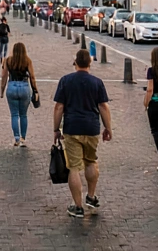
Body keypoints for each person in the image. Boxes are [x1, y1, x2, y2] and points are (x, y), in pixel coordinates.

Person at [53, 48, 112, 219]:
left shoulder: (66, 81)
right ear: (90, 63)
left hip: (72, 128)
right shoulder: (97, 82)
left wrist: (56, 129)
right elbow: (103, 106)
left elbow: (59, 107)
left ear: (75, 63)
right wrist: (108, 128)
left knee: (74, 168)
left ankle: (78, 206)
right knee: (91, 162)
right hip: (92, 128)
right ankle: (91, 197)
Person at [0, 41, 38, 147]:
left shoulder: (8, 60)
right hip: (24, 86)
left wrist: (2, 90)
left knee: (14, 115)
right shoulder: (27, 61)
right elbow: (32, 77)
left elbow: (4, 76)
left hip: (12, 86)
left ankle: (16, 138)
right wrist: (35, 90)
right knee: (23, 115)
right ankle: (23, 138)